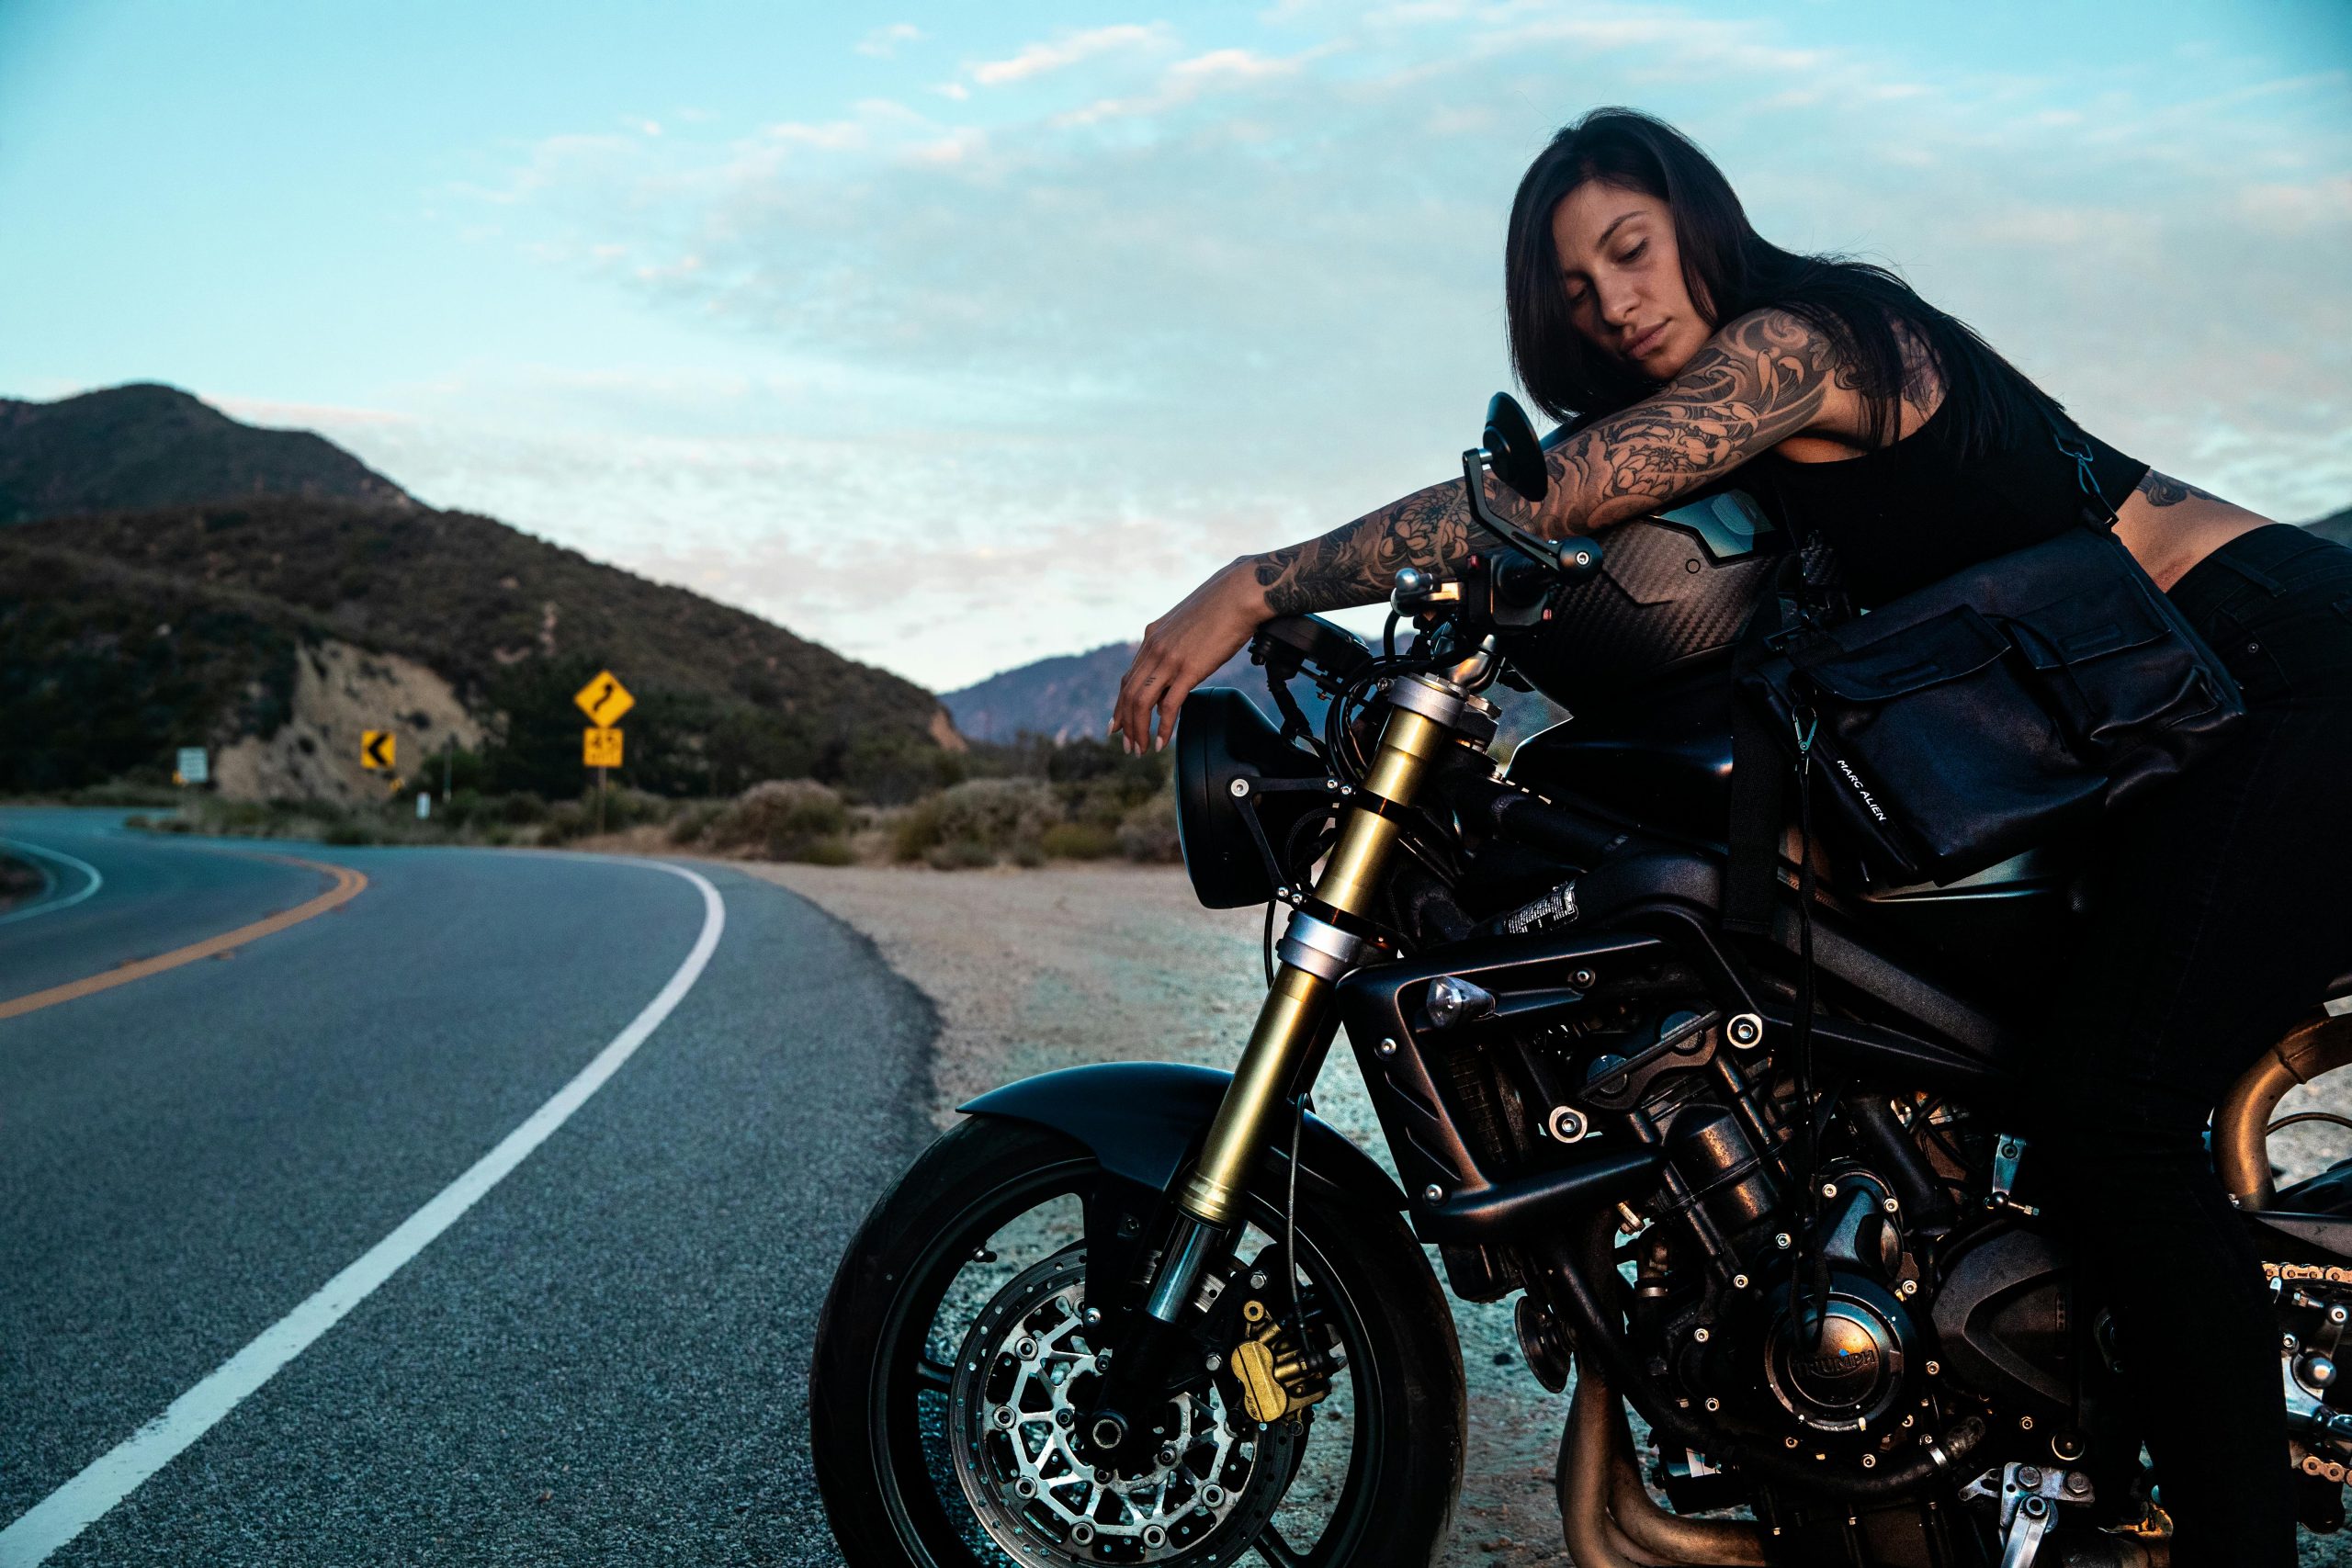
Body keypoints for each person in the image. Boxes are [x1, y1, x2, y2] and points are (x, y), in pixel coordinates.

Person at [1110, 107, 2352, 1565]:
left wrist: (1257, 584)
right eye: (1574, 292)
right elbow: (1615, 577)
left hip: (2278, 675)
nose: (1614, 302)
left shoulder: (1811, 344)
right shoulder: (1750, 475)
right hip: (2149, 739)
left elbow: (1553, 494)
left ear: (1700, 225)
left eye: (1630, 252)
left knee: (2110, 1114)